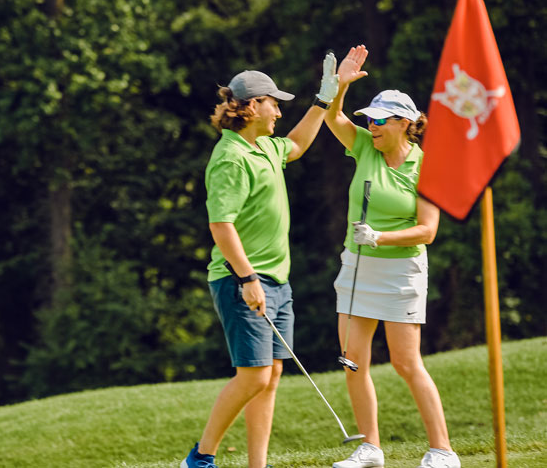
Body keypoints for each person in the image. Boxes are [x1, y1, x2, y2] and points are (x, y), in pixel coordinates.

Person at [181, 54, 339, 468]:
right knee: (253, 375)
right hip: (242, 280)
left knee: (269, 377)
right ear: (252, 107)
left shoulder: (265, 147)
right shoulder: (231, 158)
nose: (279, 111)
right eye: (273, 103)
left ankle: (258, 464)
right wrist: (247, 277)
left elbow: (300, 143)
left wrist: (325, 99)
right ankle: (200, 458)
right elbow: (221, 225)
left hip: (275, 279)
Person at [324, 45, 460, 468]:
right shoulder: (364, 146)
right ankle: (370, 448)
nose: (372, 126)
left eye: (381, 120)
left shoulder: (425, 166)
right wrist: (341, 85)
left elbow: (428, 230)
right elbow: (333, 118)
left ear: (405, 123)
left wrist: (380, 237)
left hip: (401, 270)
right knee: (353, 361)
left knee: (405, 362)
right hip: (357, 267)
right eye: (369, 119)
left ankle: (442, 450)